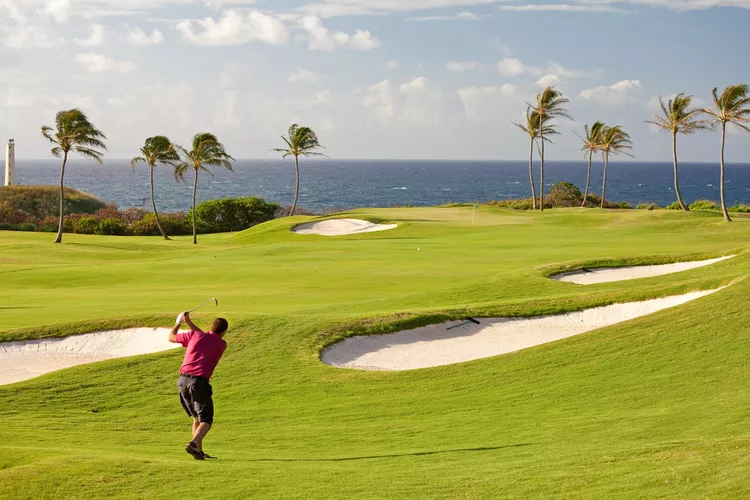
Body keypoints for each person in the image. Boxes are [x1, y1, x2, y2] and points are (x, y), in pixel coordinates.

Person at [169, 312, 228, 460]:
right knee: (206, 419)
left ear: (210, 327)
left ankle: (198, 452)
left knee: (196, 417)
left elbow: (171, 337)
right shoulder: (221, 344)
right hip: (198, 382)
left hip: (182, 381)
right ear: (223, 332)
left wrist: (180, 322)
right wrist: (189, 322)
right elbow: (205, 336)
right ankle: (194, 443)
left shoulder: (195, 336)